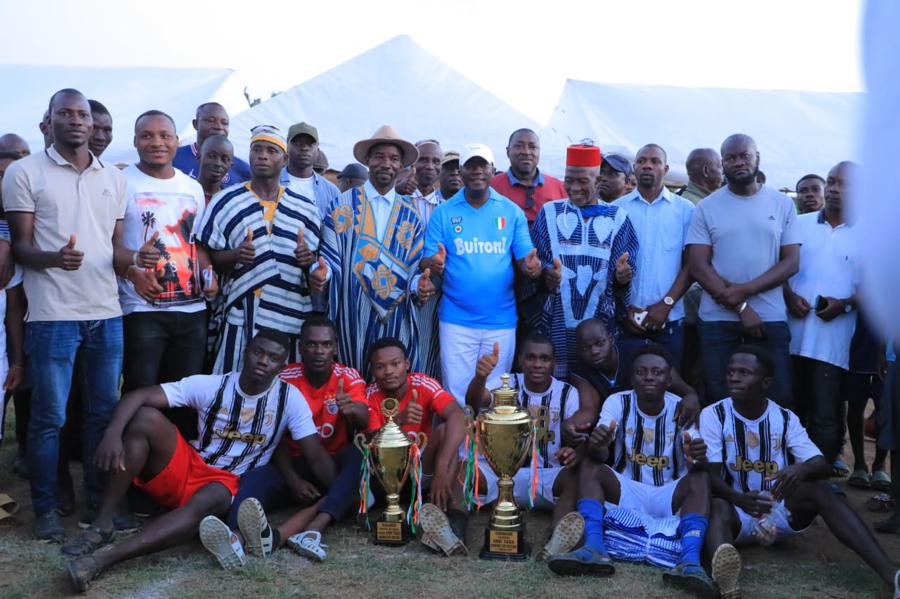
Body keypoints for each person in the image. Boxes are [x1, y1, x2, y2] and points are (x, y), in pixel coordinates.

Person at [63, 330, 332, 590]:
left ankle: (102, 559)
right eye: (258, 352)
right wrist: (112, 434)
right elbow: (140, 395)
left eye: (273, 358)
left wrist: (345, 493)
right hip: (190, 464)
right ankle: (103, 523)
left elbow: (315, 454)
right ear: (246, 352)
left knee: (210, 497)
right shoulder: (214, 384)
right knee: (145, 418)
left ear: (281, 366)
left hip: (228, 482)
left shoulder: (289, 398)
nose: (263, 361)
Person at [3, 89, 132, 542]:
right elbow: (20, 247)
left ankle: (99, 504)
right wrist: (55, 260)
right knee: (48, 418)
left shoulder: (113, 178)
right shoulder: (24, 172)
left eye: (83, 115)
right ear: (50, 119)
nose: (78, 122)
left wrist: (138, 262)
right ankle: (46, 512)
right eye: (67, 114)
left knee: (102, 415)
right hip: (53, 315)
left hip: (106, 312)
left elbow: (114, 248)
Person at [701, 346, 899, 599]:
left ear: (766, 382)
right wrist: (738, 499)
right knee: (716, 506)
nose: (734, 377)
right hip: (735, 515)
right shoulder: (714, 414)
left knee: (821, 490)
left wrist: (802, 467)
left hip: (776, 517)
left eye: (744, 372)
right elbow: (711, 477)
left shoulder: (784, 418)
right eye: (730, 371)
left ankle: (891, 576)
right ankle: (727, 584)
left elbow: (823, 465)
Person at [548, 345, 718, 597]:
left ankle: (690, 562)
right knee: (591, 466)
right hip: (627, 488)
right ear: (632, 377)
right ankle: (594, 548)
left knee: (701, 478)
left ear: (669, 379)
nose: (649, 377)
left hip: (668, 493)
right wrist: (597, 444)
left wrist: (698, 458)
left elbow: (696, 458)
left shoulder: (682, 407)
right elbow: (600, 454)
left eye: (657, 372)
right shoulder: (617, 402)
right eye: (641, 372)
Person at [198, 316, 369, 566]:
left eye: (326, 345)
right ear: (300, 347)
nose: (319, 351)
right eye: (311, 344)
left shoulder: (348, 376)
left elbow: (364, 420)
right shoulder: (285, 377)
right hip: (290, 462)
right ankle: (236, 539)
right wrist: (293, 479)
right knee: (255, 478)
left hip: (331, 466)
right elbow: (272, 436)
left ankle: (316, 525)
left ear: (335, 348)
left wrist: (352, 409)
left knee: (358, 456)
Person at [118, 110, 216, 445]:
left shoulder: (192, 188)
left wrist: (208, 273)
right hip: (143, 310)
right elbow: (108, 244)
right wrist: (132, 267)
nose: (156, 142)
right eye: (147, 135)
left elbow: (198, 243)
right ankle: (136, 475)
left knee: (186, 397)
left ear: (177, 141)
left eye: (164, 136)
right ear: (135, 141)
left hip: (192, 312)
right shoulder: (121, 182)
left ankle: (179, 476)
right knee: (141, 393)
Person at [422, 142, 542, 404]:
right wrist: (434, 263)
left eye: (482, 165)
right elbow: (428, 259)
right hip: (456, 322)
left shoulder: (511, 212)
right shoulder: (444, 212)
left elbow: (527, 259)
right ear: (461, 172)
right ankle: (463, 447)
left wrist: (532, 267)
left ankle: (491, 446)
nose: (476, 171)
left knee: (495, 398)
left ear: (493, 170)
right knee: (457, 396)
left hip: (500, 322)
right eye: (470, 165)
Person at [687, 134, 799, 408]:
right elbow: (698, 266)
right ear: (722, 163)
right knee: (719, 397)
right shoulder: (706, 207)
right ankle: (724, 452)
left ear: (757, 158)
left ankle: (769, 452)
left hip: (770, 317)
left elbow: (791, 262)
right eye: (730, 157)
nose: (738, 162)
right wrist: (742, 307)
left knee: (778, 397)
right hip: (717, 320)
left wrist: (744, 292)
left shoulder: (782, 204)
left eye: (744, 156)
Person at [197, 125, 321, 373]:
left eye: (271, 151)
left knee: (284, 382)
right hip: (243, 313)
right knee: (235, 377)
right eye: (257, 150)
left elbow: (316, 267)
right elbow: (209, 253)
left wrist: (309, 261)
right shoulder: (227, 200)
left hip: (290, 312)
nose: (262, 156)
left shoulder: (305, 208)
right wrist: (235, 255)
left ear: (285, 159)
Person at [465, 334, 585, 561]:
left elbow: (575, 438)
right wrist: (480, 377)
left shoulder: (568, 393)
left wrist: (573, 452)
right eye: (531, 357)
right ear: (520, 360)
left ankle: (557, 540)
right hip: (500, 473)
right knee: (464, 471)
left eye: (544, 358)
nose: (537, 364)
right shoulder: (507, 384)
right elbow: (474, 400)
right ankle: (453, 527)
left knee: (574, 476)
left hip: (546, 476)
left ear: (554, 363)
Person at [318, 125, 427, 378]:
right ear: (367, 160)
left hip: (396, 317)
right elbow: (329, 262)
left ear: (401, 166)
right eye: (379, 156)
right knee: (352, 383)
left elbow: (415, 270)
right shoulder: (341, 205)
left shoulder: (411, 214)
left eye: (394, 158)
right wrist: (319, 273)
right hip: (350, 314)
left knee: (393, 388)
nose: (386, 163)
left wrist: (420, 285)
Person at [529, 144, 638, 378]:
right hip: (555, 320)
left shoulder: (617, 218)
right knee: (556, 388)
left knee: (594, 386)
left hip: (599, 327)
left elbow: (626, 274)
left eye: (582, 181)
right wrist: (545, 275)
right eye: (569, 180)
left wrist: (622, 277)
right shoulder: (549, 213)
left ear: (598, 181)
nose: (574, 188)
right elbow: (535, 266)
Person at [785, 161, 860, 469]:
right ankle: (787, 475)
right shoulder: (798, 224)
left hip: (832, 342)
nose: (834, 189)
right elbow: (778, 268)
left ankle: (820, 479)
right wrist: (788, 296)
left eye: (844, 184)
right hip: (791, 337)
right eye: (831, 181)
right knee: (791, 410)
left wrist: (845, 304)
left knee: (826, 414)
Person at [366, 337, 468, 556]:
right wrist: (397, 420)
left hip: (426, 468)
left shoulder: (423, 383)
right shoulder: (370, 394)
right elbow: (371, 443)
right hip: (390, 477)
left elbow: (458, 416)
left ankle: (453, 531)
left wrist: (441, 467)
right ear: (373, 370)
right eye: (380, 366)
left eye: (395, 363)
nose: (389, 371)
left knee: (451, 449)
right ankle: (436, 518)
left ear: (407, 364)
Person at [614, 144, 695, 375]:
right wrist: (623, 310)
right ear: (634, 167)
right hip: (626, 319)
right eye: (641, 161)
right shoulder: (617, 209)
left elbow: (691, 265)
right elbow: (609, 267)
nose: (647, 165)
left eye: (655, 161)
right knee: (627, 384)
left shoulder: (685, 210)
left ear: (666, 168)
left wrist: (665, 305)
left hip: (669, 320)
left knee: (668, 385)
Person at [491, 129, 567, 226]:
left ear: (539, 152)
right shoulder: (491, 188)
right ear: (508, 152)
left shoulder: (560, 188)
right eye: (519, 146)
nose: (526, 152)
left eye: (532, 147)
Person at [173, 102, 250, 186]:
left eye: (224, 123)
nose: (219, 127)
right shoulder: (173, 158)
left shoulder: (243, 169)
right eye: (210, 121)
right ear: (195, 124)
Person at [280, 122, 340, 219]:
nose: (304, 148)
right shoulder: (269, 184)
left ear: (318, 150)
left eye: (310, 144)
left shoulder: (332, 192)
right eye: (297, 143)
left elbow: (339, 229)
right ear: (287, 148)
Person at [410, 140, 443, 224]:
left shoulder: (446, 208)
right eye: (423, 160)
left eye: (436, 162)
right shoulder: (399, 201)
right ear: (412, 165)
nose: (430, 167)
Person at [196, 134, 234, 205]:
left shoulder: (230, 202)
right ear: (199, 157)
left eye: (225, 159)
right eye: (212, 156)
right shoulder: (184, 192)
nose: (218, 163)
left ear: (230, 166)